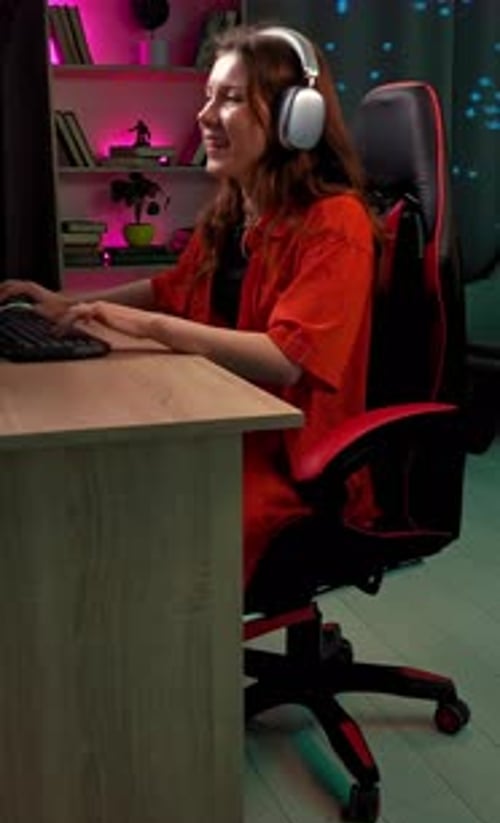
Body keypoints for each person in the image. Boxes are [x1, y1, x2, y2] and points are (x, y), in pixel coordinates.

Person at [0, 24, 377, 605]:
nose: (204, 115)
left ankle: (164, 652)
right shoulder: (233, 210)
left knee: (157, 537)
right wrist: (66, 305)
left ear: (293, 120)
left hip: (291, 462)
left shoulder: (336, 223)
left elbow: (286, 359)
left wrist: (145, 327)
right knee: (97, 496)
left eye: (230, 99)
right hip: (222, 423)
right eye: (207, 95)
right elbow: (171, 288)